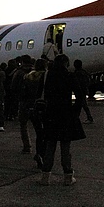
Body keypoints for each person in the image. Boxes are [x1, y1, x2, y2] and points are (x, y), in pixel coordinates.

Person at [40, 54, 85, 186]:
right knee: (65, 147)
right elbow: (80, 96)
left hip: (51, 113)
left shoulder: (49, 76)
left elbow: (46, 95)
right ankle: (67, 176)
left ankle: (45, 176)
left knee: (50, 146)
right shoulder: (69, 76)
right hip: (65, 114)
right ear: (66, 63)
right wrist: (74, 112)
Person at [21, 58, 48, 169]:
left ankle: (39, 154)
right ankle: (41, 154)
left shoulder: (28, 77)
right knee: (45, 133)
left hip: (31, 107)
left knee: (38, 133)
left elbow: (23, 93)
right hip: (43, 106)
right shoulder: (45, 77)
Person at [14, 55, 34, 153]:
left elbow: (13, 87)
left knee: (23, 125)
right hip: (36, 102)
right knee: (39, 125)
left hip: (24, 101)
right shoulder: (37, 72)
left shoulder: (19, 73)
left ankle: (27, 147)